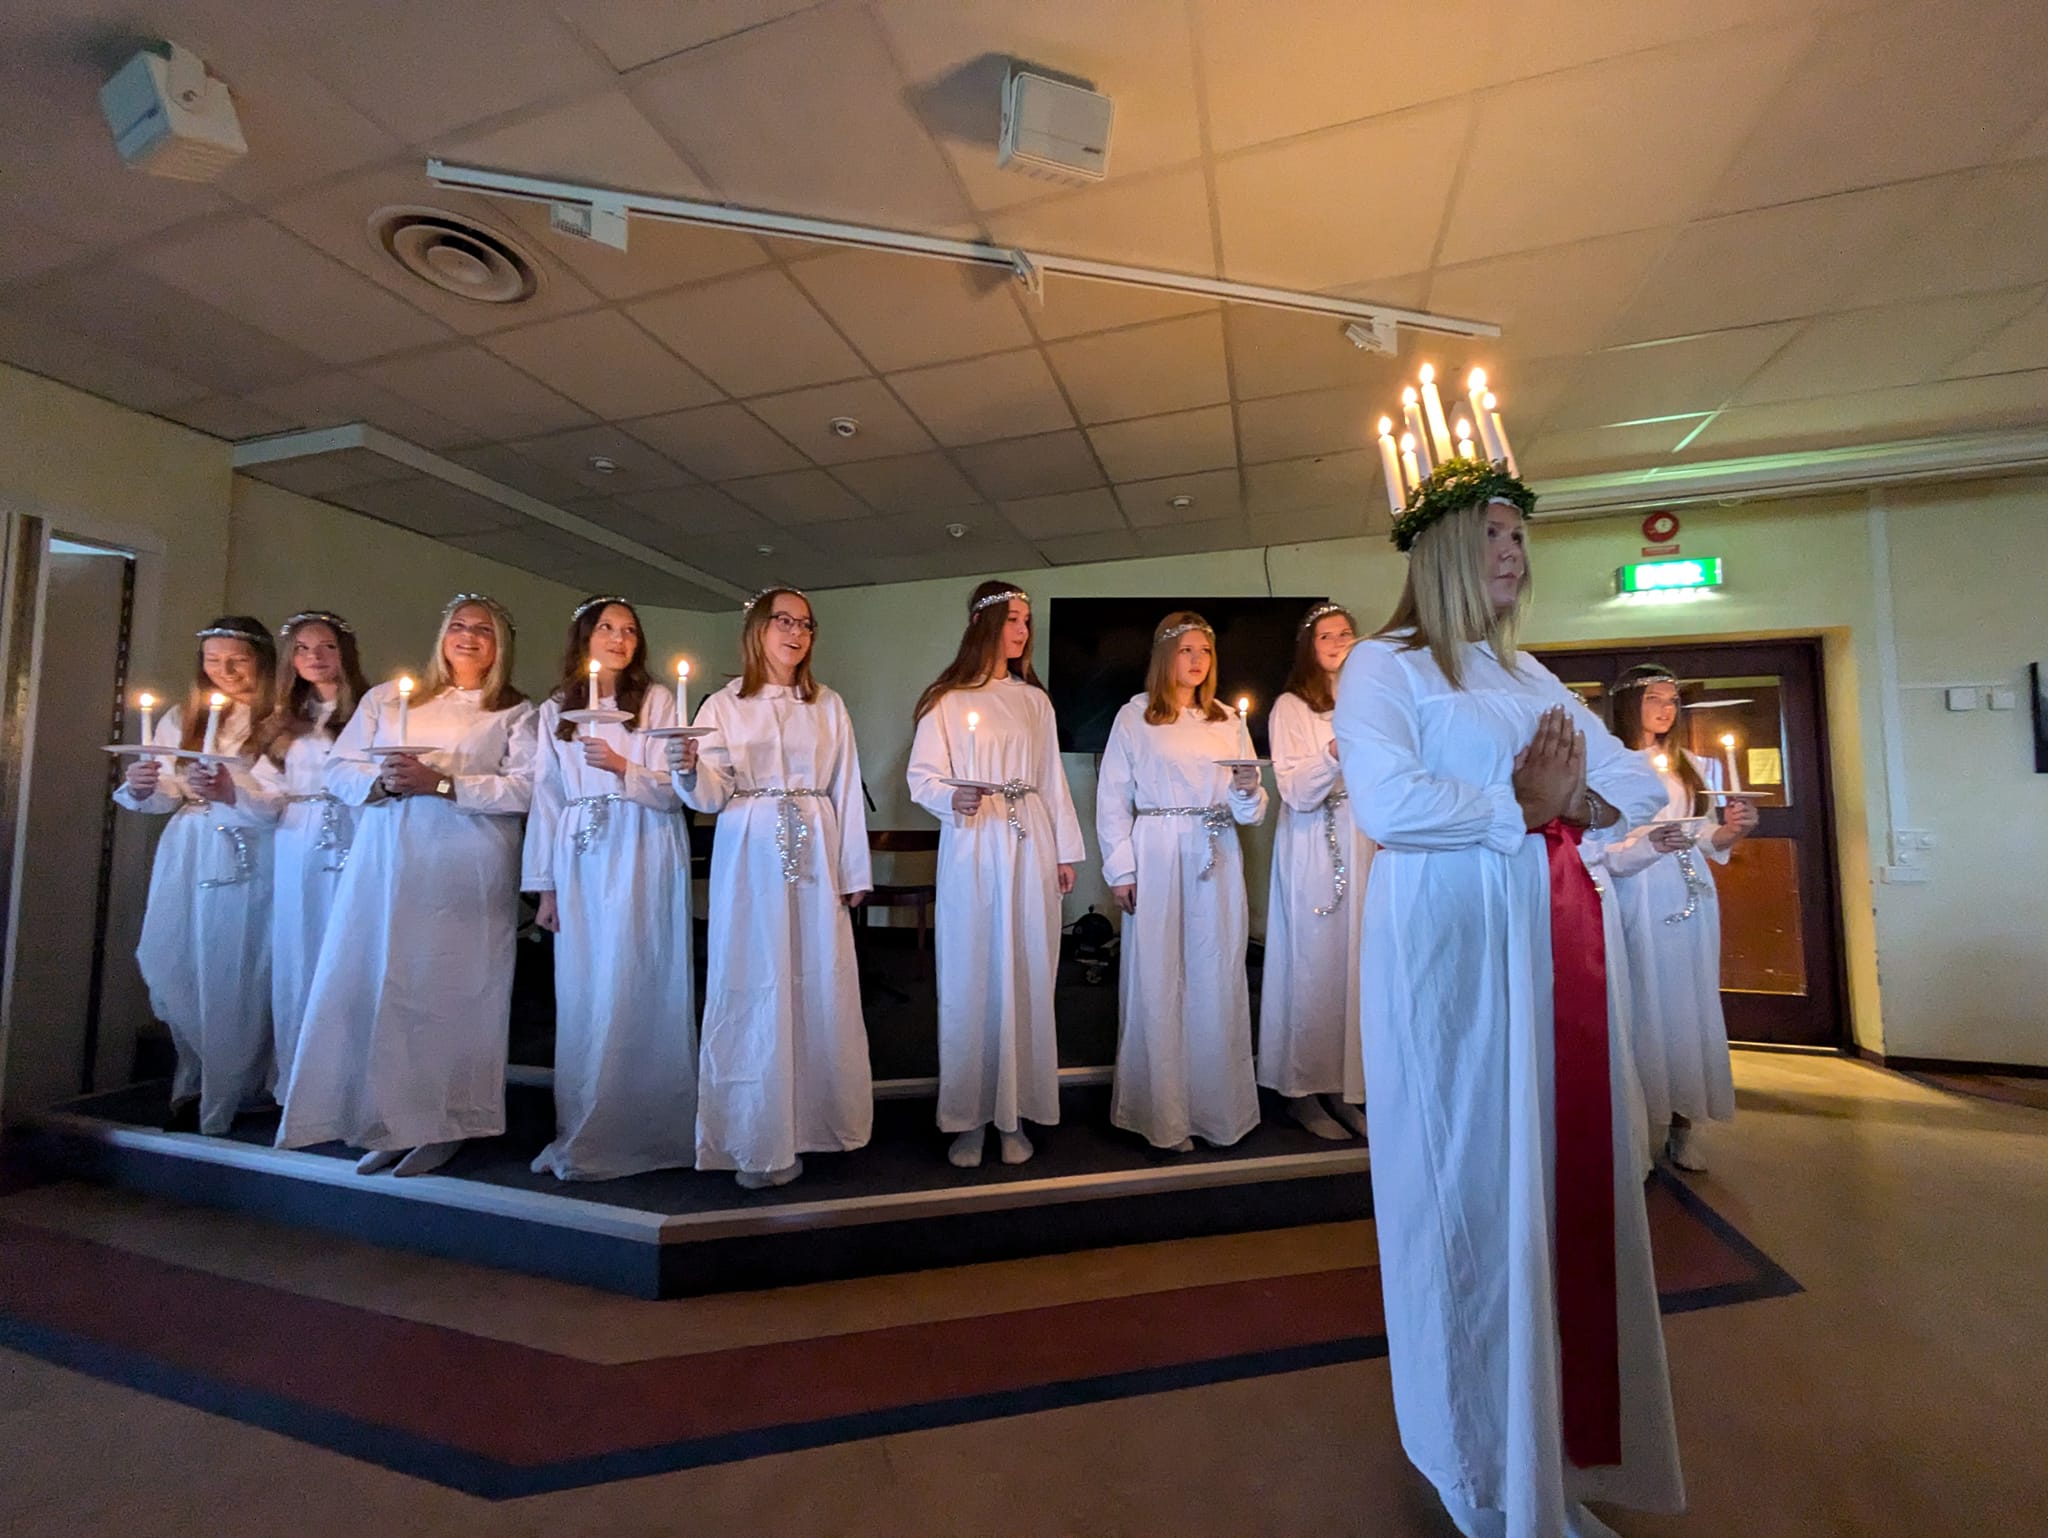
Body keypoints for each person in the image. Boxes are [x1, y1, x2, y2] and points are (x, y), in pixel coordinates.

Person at [1333, 459, 1678, 1538]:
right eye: (1491, 535)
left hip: (1546, 943)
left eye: (1520, 537)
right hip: (1447, 951)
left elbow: (1635, 783)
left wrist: (1562, 802)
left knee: (1545, 1188)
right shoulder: (1384, 666)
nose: (1512, 554)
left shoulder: (1529, 673)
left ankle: (1545, 1461)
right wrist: (1517, 803)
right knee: (1465, 1191)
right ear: (1440, 548)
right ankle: (1474, 1461)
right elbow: (1387, 801)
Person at [276, 595, 535, 1178]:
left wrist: (440, 784)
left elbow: (525, 788)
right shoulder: (390, 699)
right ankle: (388, 1117)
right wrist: (387, 781)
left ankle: (449, 1122)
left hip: (465, 862)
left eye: (484, 630)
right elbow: (340, 768)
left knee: (454, 990)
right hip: (389, 859)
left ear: (500, 644)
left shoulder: (516, 712)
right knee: (387, 984)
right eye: (459, 626)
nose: (469, 637)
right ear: (443, 635)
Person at [668, 586, 872, 1190]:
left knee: (818, 978)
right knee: (755, 980)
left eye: (805, 624)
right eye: (784, 621)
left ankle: (820, 1121)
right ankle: (758, 1135)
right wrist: (687, 769)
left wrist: (853, 871)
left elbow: (845, 787)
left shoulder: (827, 704)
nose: (796, 633)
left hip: (816, 852)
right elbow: (711, 793)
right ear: (758, 629)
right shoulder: (724, 704)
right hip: (751, 854)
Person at [906, 582, 1085, 1168]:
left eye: (1027, 621)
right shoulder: (947, 699)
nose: (1023, 631)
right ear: (985, 624)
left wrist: (1064, 852)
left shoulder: (1035, 702)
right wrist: (950, 798)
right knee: (972, 972)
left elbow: (1051, 779)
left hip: (1029, 837)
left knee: (1027, 969)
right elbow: (923, 776)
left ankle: (1016, 1112)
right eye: (1013, 619)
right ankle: (970, 1116)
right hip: (974, 840)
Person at [522, 596, 696, 1181]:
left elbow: (674, 791)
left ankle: (648, 1127)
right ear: (585, 638)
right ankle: (584, 1122)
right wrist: (545, 888)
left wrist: (625, 767)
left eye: (629, 630)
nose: (619, 639)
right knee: (585, 987)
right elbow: (547, 797)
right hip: (580, 851)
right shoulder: (556, 710)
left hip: (644, 844)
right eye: (606, 628)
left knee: (640, 976)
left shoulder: (656, 701)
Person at [1096, 612, 1268, 1152]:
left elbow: (1250, 811)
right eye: (1187, 650)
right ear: (1164, 656)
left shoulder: (1227, 719)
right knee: (1159, 975)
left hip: (1215, 852)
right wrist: (1121, 869)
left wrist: (1247, 788)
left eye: (1205, 651)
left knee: (1216, 972)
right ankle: (1163, 1116)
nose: (1197, 661)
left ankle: (1217, 1112)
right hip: (1158, 851)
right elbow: (1112, 798)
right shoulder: (1135, 717)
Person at [112, 616, 276, 1134]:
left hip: (249, 847)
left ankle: (239, 1086)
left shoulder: (279, 721)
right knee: (173, 953)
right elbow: (166, 789)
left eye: (237, 660)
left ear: (262, 662)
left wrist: (231, 792)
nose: (224, 670)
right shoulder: (183, 717)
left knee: (234, 961)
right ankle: (195, 1077)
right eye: (212, 660)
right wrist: (143, 786)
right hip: (189, 848)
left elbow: (281, 794)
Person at [1600, 663, 1760, 1172]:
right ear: (1629, 704)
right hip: (1637, 890)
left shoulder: (1688, 763)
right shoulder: (1608, 762)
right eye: (1654, 698)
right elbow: (1600, 843)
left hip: (1688, 891)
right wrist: (1649, 843)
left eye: (1672, 700)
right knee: (1642, 1001)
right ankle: (1635, 1128)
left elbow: (1704, 835)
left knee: (1688, 1002)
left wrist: (1732, 831)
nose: (1666, 709)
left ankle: (1683, 1123)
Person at [238, 611, 369, 1102]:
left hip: (356, 831)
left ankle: (350, 1079)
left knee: (350, 946)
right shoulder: (281, 723)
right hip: (297, 838)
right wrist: (231, 793)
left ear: (344, 653)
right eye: (303, 649)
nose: (315, 657)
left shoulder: (371, 711)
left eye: (326, 646)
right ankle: (300, 1081)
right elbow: (266, 791)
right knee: (299, 949)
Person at [1256, 601, 1374, 1141]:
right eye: (1327, 635)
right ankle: (1303, 1090)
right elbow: (1296, 791)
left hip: (1363, 838)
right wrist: (1332, 751)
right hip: (1314, 843)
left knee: (1356, 967)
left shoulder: (1368, 701)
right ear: (1309, 647)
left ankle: (1347, 1088)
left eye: (1346, 633)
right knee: (1314, 965)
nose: (1339, 641)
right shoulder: (1291, 707)